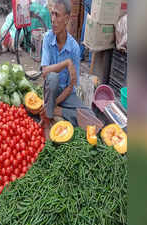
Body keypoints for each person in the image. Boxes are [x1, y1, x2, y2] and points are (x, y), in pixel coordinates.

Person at [39, 0, 94, 139]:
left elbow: (71, 86)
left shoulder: (74, 47)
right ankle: (47, 121)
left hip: (66, 95)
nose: (52, 19)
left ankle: (55, 111)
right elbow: (44, 72)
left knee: (91, 118)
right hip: (51, 90)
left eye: (57, 15)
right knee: (52, 77)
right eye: (52, 14)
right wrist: (66, 63)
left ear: (67, 19)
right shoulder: (47, 38)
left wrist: (55, 105)